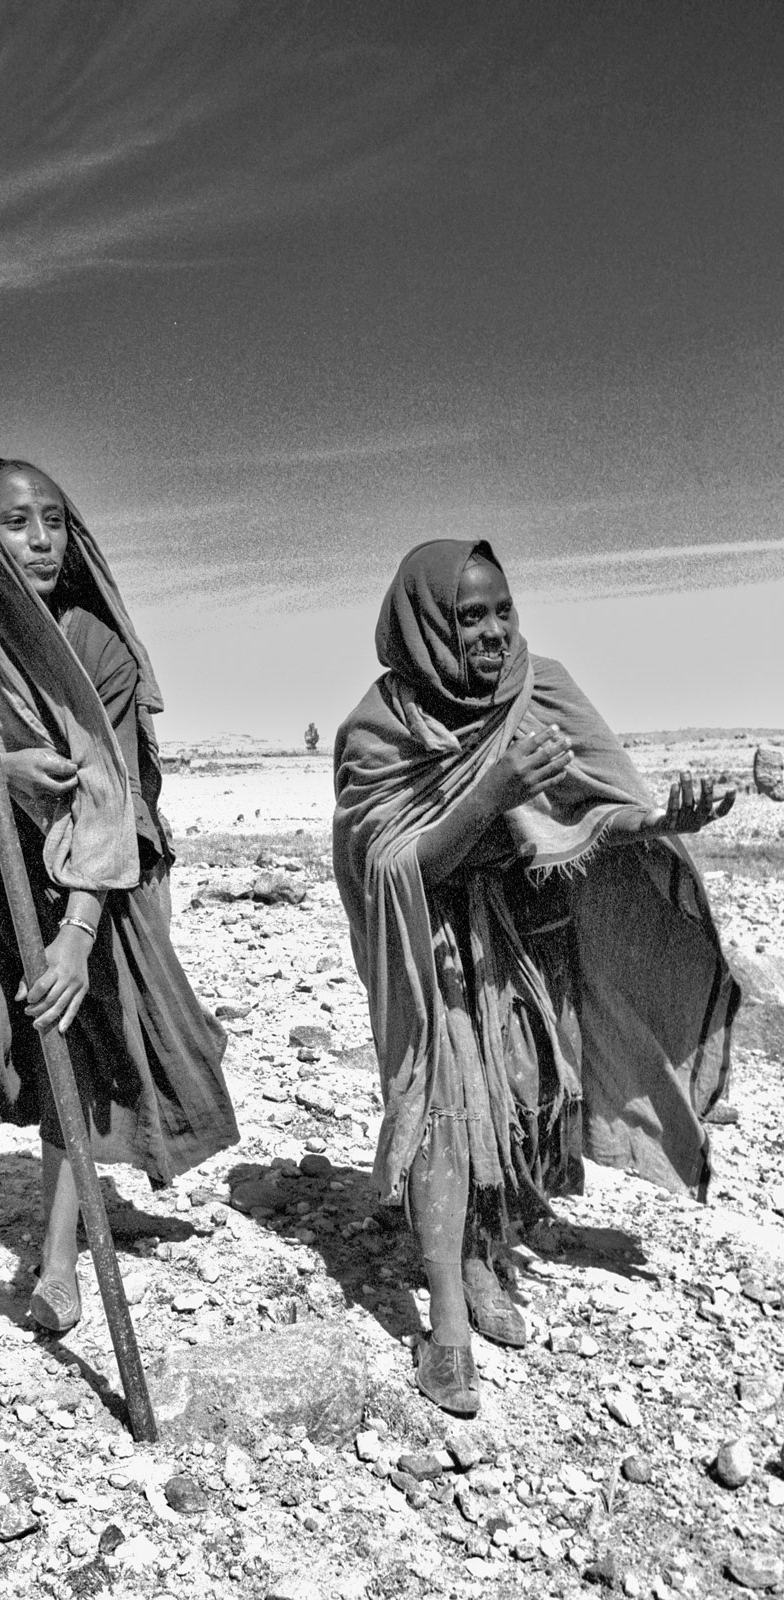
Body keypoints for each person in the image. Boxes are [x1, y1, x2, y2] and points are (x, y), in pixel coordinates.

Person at [333, 540, 739, 1417]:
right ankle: (445, 1320)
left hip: (530, 939)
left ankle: (483, 1251)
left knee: (518, 1102)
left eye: (501, 610)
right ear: (425, 624)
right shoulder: (383, 726)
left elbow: (586, 811)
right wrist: (489, 795)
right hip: (437, 950)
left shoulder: (540, 688)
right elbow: (391, 866)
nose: (491, 632)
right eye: (467, 617)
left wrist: (659, 820)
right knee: (444, 1111)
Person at [0, 458, 238, 1332]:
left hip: (79, 873)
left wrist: (75, 935)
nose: (40, 541)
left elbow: (116, 798)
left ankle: (61, 1256)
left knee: (66, 1047)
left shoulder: (93, 645)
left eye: (54, 521)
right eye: (15, 522)